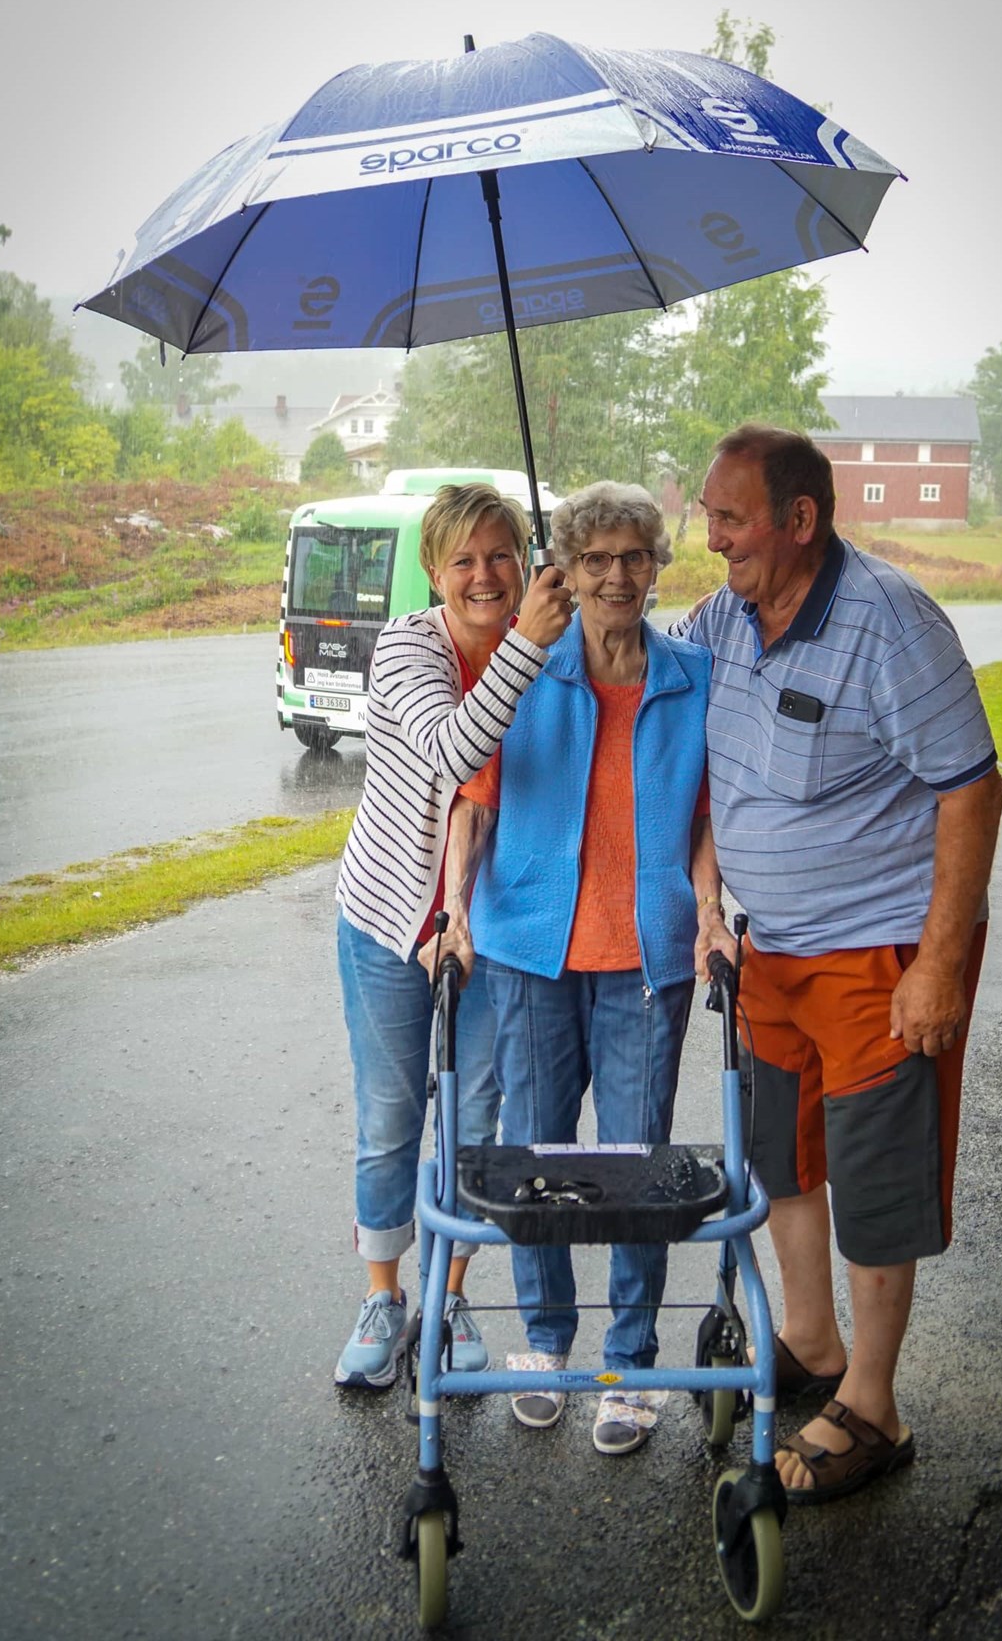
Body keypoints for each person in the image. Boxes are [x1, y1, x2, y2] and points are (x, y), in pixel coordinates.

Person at [680, 423, 1002, 1504]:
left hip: (880, 952)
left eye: (730, 517)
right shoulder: (726, 616)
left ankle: (873, 1405)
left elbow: (973, 787)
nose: (710, 535)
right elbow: (666, 700)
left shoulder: (888, 621)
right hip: (772, 950)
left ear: (800, 519)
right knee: (787, 1153)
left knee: (872, 1173)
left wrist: (941, 966)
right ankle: (812, 1346)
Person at [425, 482, 720, 1456]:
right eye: (596, 560)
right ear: (569, 569)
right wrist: (456, 911)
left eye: (636, 556)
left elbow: (709, 820)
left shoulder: (693, 677)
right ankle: (548, 1344)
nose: (617, 577)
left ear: (658, 563)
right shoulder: (525, 674)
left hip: (648, 958)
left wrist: (712, 913)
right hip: (527, 954)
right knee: (541, 1161)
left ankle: (630, 1361)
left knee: (637, 1167)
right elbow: (473, 804)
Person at [333, 482, 573, 1390]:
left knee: (474, 1124)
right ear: (433, 572)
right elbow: (448, 752)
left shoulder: (550, 652)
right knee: (392, 1121)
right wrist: (528, 642)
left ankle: (453, 1290)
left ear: (524, 561)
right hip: (392, 922)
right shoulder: (406, 647)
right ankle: (384, 1296)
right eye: (463, 560)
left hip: (495, 932)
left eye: (501, 555)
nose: (484, 575)